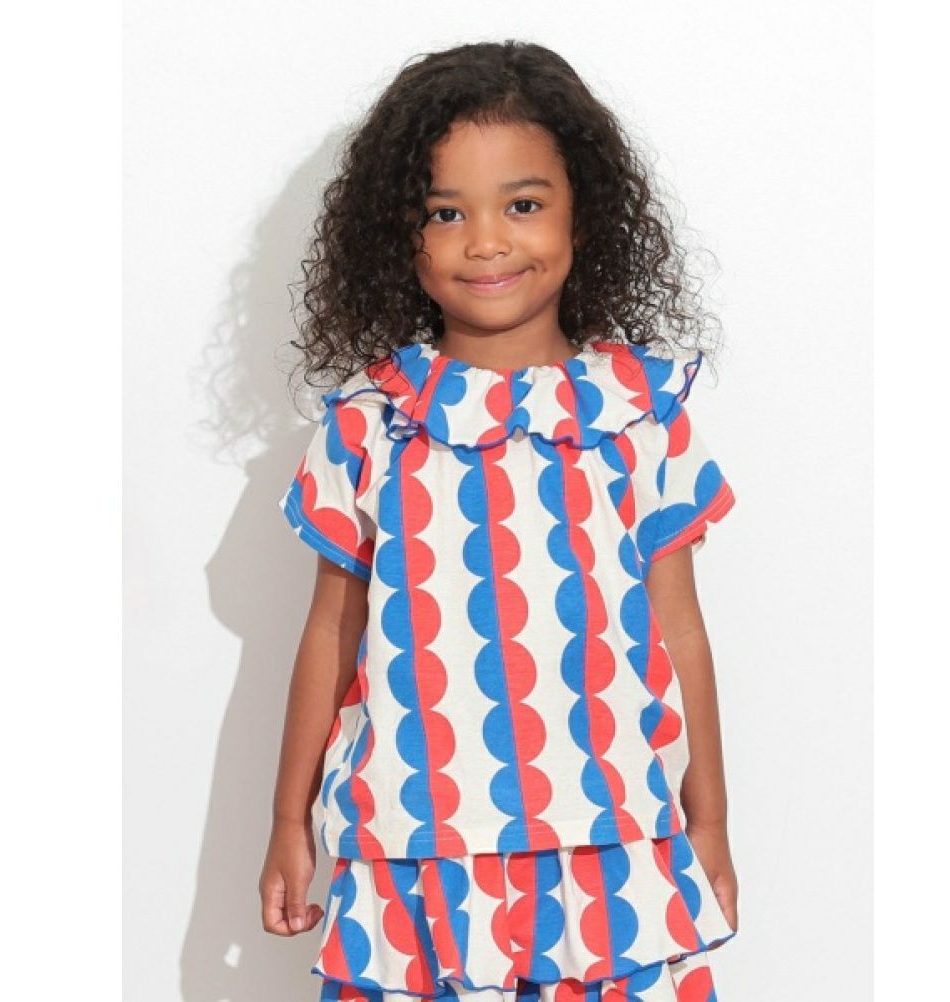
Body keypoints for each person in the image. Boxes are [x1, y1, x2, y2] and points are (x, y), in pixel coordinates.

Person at [260, 39, 740, 1002]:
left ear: (582, 214)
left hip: (614, 841)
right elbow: (332, 629)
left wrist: (711, 825)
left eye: (522, 205)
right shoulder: (370, 425)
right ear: (401, 234)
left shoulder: (641, 416)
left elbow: (679, 628)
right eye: (446, 212)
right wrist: (286, 821)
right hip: (414, 847)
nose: (486, 242)